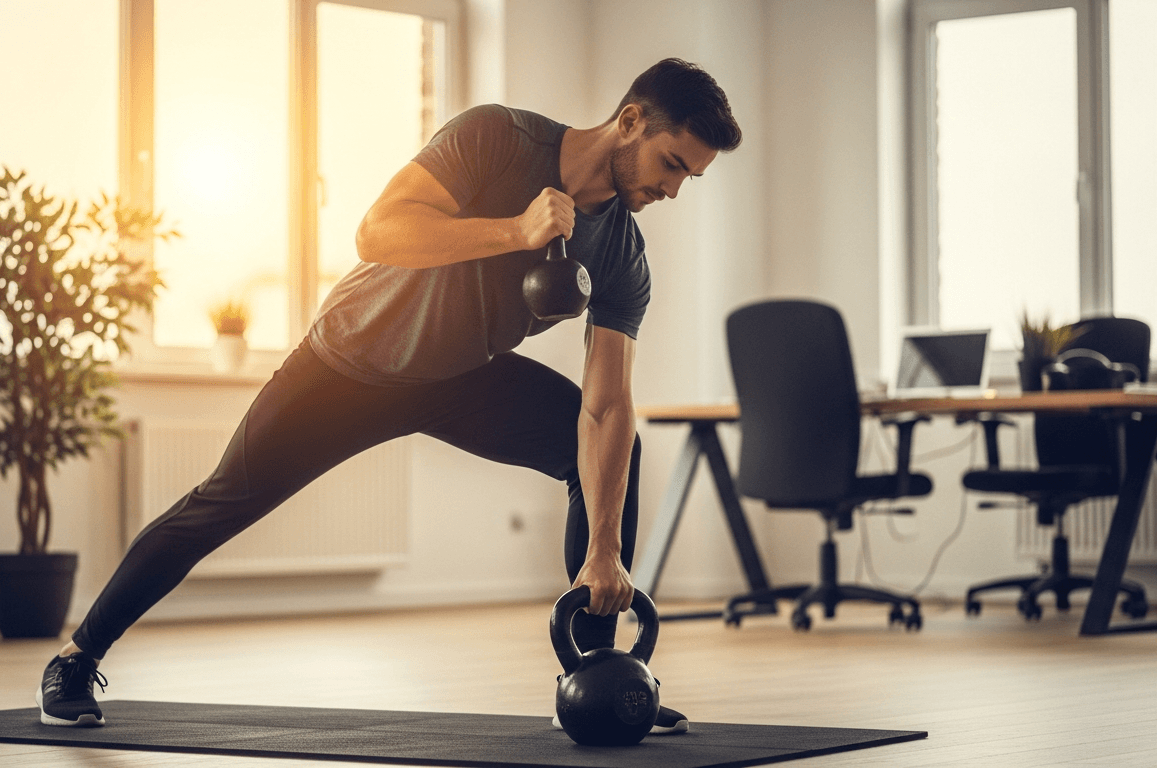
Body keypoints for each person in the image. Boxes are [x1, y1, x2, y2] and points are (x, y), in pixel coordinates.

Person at [36, 57, 742, 732]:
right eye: (671, 164)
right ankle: (76, 660)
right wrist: (516, 232)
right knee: (221, 503)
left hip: (462, 378)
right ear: (629, 122)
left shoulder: (621, 252)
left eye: (691, 178)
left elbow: (606, 407)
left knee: (601, 451)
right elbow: (377, 230)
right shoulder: (497, 136)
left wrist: (605, 551)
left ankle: (598, 681)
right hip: (349, 361)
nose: (672, 191)